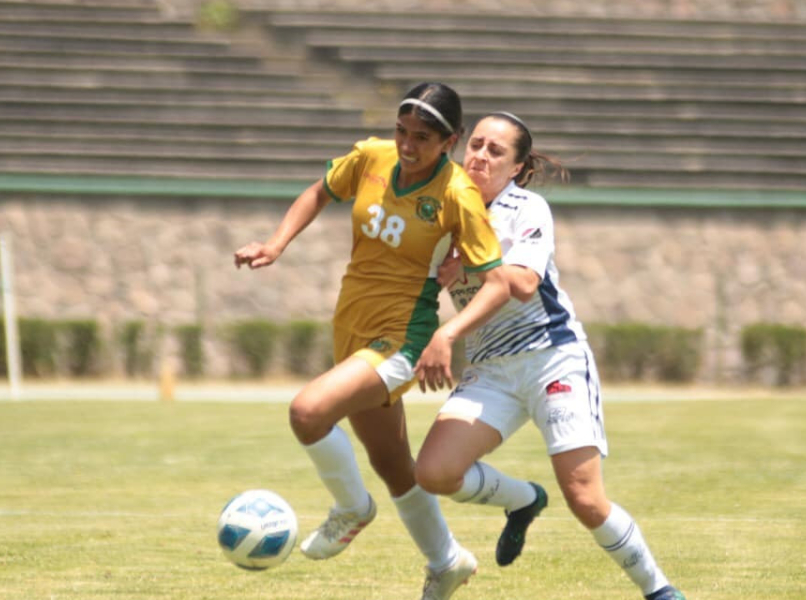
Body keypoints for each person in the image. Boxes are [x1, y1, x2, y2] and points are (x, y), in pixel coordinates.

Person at [233, 82, 514, 599]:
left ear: (447, 142)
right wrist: (276, 244)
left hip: (404, 338)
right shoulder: (371, 157)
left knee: (308, 412)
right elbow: (320, 190)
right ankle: (446, 560)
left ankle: (351, 509)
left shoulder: (456, 194)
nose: (407, 146)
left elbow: (497, 284)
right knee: (391, 463)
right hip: (352, 324)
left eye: (422, 138)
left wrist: (447, 336)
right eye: (401, 132)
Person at [412, 113, 687, 600]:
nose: (480, 155)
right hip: (491, 370)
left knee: (584, 498)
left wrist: (468, 264)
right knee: (433, 473)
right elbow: (420, 286)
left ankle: (660, 591)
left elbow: (521, 285)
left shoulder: (527, 208)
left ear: (517, 168)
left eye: (496, 151)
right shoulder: (442, 213)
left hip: (551, 360)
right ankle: (524, 500)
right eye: (475, 144)